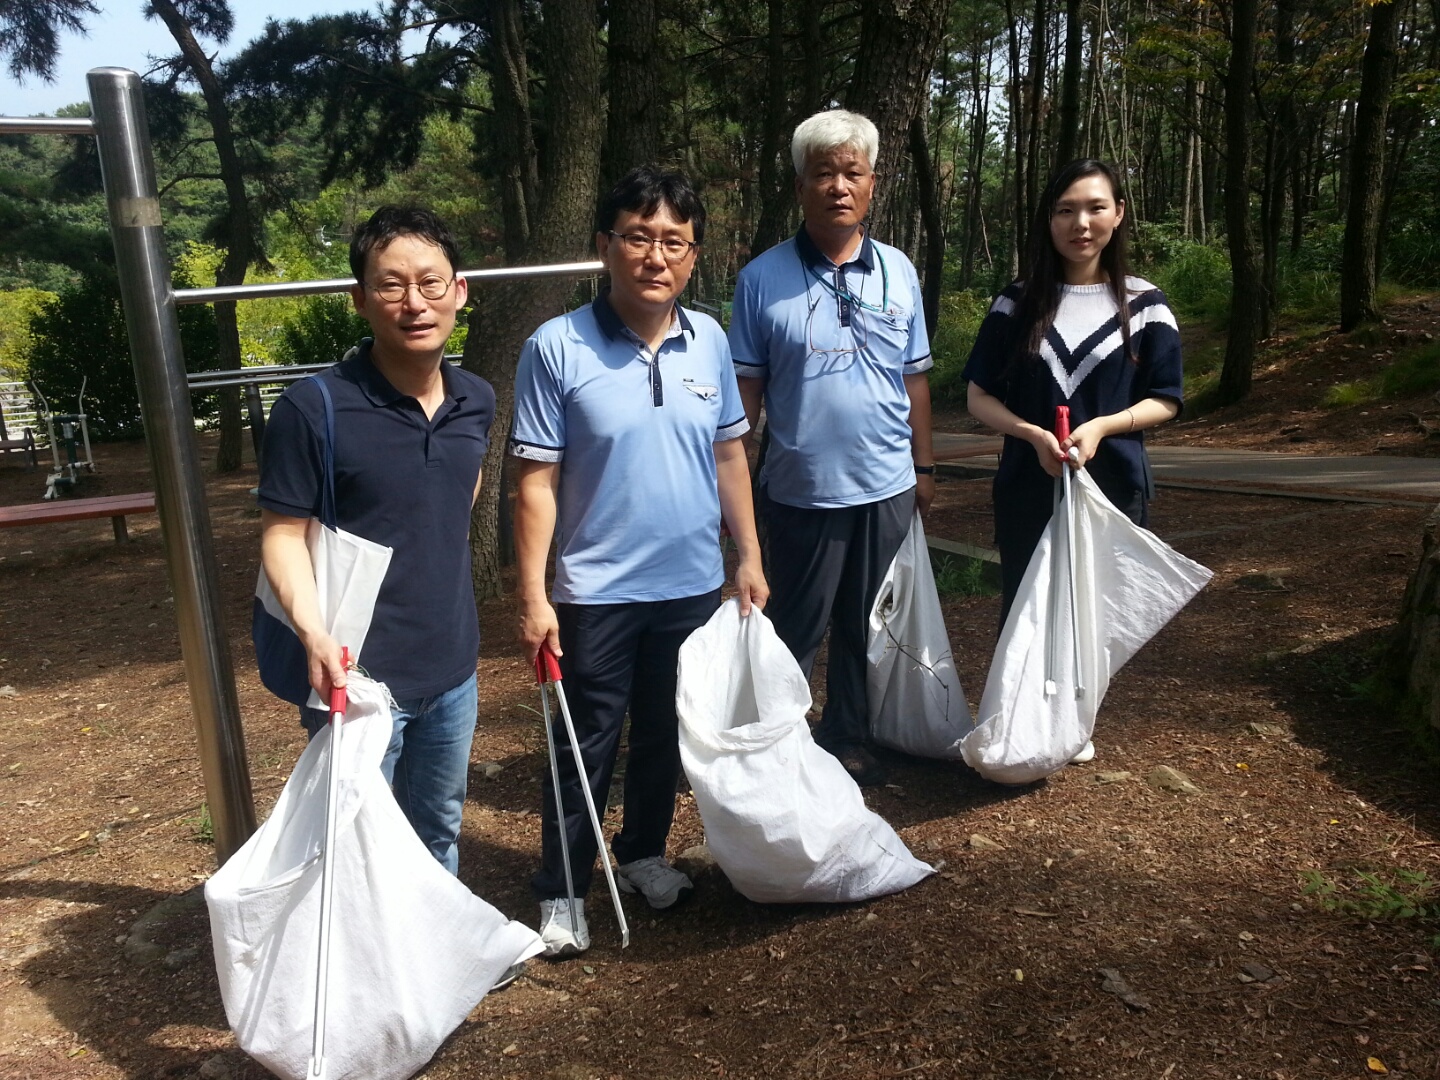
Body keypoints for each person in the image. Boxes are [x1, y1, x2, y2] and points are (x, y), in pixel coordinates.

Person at [511, 166, 768, 959]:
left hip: (690, 582)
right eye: (639, 237)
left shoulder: (712, 341)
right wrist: (532, 593)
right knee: (585, 741)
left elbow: (729, 456)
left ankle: (643, 853)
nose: (656, 256)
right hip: (595, 589)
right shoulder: (555, 347)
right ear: (605, 246)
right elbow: (535, 482)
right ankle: (561, 888)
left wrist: (749, 554)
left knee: (665, 733)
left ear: (693, 257)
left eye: (674, 242)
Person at [258, 205, 494, 876]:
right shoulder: (314, 408)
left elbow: (455, 497)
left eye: (431, 282)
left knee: (439, 829)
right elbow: (281, 533)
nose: (414, 302)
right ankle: (362, 977)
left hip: (452, 669)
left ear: (460, 292)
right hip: (354, 676)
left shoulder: (475, 399)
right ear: (360, 299)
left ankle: (433, 970)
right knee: (356, 847)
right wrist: (311, 631)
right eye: (391, 285)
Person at [728, 109, 935, 789]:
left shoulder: (899, 271)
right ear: (800, 186)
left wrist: (923, 466)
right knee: (793, 625)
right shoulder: (762, 278)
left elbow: (915, 380)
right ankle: (776, 744)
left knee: (863, 622)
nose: (838, 187)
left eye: (852, 173)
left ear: (873, 184)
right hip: (797, 487)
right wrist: (730, 492)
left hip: (886, 484)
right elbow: (747, 394)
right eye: (824, 173)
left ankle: (847, 734)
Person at [962, 159, 1183, 761]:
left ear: (1118, 214)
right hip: (1028, 480)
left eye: (1094, 207)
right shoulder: (1015, 302)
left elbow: (1166, 398)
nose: (1080, 223)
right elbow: (978, 394)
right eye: (1065, 210)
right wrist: (1031, 434)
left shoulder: (1145, 305)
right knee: (1027, 598)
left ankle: (1078, 718)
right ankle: (1026, 718)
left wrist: (1104, 427)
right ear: (1048, 220)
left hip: (1111, 485)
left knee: (1094, 603)